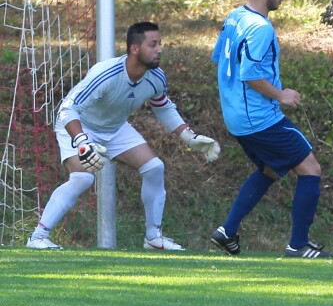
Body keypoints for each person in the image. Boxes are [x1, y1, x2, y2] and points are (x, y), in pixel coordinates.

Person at [26, 22, 220, 250]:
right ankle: (38, 236)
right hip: (79, 125)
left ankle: (153, 238)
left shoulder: (156, 77)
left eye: (160, 44)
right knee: (83, 178)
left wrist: (189, 137)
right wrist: (82, 142)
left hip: (115, 128)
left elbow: (163, 106)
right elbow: (68, 110)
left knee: (154, 168)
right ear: (135, 49)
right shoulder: (106, 74)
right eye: (153, 44)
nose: (159, 49)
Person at [209, 0, 330, 259]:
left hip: (236, 117)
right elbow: (250, 75)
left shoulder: (235, 17)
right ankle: (298, 245)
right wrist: (281, 95)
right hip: (258, 118)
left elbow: (220, 60)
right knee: (311, 168)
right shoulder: (260, 28)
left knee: (271, 169)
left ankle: (228, 231)